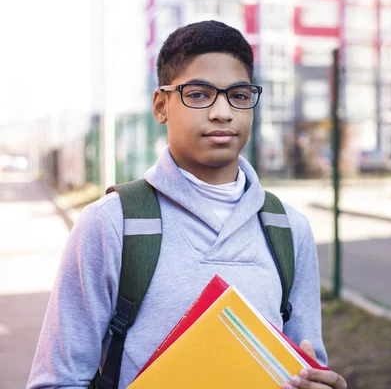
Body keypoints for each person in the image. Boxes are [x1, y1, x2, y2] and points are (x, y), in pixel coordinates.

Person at [27, 20, 347, 389]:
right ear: (161, 105)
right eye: (198, 94)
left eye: (239, 95)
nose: (222, 112)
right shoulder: (111, 224)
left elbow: (308, 366)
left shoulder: (289, 229)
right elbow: (56, 381)